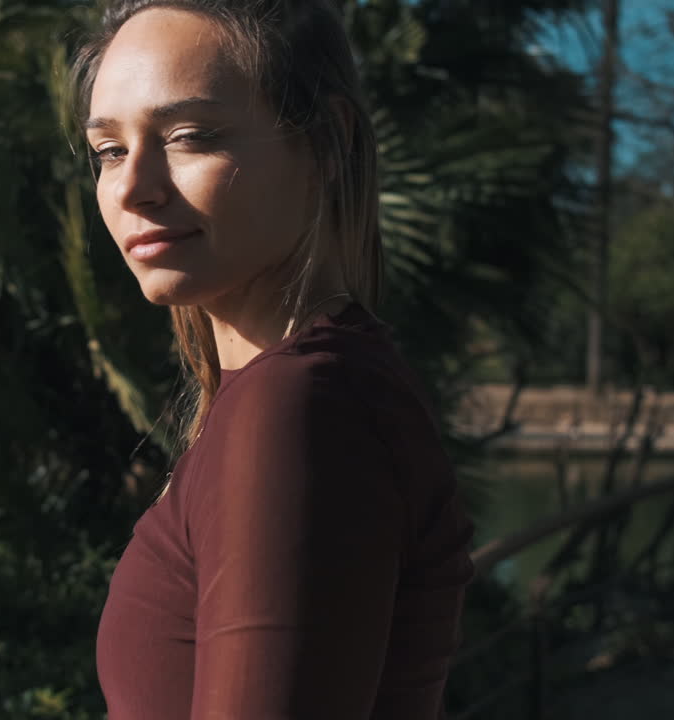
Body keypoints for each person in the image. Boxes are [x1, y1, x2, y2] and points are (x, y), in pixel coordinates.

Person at [71, 1, 476, 717]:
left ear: (327, 141)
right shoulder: (293, 393)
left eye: (190, 136)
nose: (133, 187)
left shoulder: (298, 408)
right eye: (109, 150)